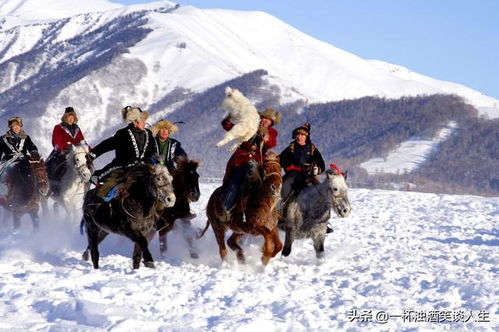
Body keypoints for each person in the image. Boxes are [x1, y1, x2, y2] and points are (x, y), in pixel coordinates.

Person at [220, 108, 281, 213]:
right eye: (263, 118)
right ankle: (225, 210)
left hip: (258, 163)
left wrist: (265, 136)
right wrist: (228, 119)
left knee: (268, 185)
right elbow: (230, 128)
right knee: (234, 184)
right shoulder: (249, 126)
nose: (264, 121)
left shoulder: (272, 132)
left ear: (271, 123)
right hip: (241, 161)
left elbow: (271, 143)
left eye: (267, 120)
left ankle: (271, 212)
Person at [88, 106, 158, 198]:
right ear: (134, 121)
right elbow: (107, 145)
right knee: (106, 190)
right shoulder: (123, 133)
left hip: (143, 170)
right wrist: (91, 155)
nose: (145, 123)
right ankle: (98, 207)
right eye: (142, 120)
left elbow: (153, 152)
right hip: (122, 169)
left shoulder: (148, 134)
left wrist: (157, 161)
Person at [279, 122, 325, 205]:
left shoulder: (312, 148)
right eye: (298, 135)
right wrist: (287, 165)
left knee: (320, 191)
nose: (299, 137)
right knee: (285, 187)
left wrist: (317, 170)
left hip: (309, 175)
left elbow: (321, 163)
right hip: (292, 175)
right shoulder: (291, 148)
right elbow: (280, 159)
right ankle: (283, 206)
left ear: (306, 137)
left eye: (302, 135)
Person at [45, 107, 87, 196]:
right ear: (65, 118)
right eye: (69, 117)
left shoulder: (77, 129)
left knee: (87, 164)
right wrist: (63, 148)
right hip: (62, 152)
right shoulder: (58, 128)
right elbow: (56, 141)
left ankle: (86, 184)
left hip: (76, 153)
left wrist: (90, 150)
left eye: (73, 117)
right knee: (55, 167)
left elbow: (83, 141)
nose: (71, 119)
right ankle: (54, 189)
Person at [0, 117, 40, 203]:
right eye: (14, 126)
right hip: (9, 160)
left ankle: (37, 193)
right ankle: (3, 196)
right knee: (4, 176)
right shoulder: (3, 139)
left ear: (20, 126)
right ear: (10, 127)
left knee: (37, 172)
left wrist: (34, 152)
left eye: (18, 125)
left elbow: (31, 146)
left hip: (24, 160)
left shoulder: (26, 137)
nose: (16, 127)